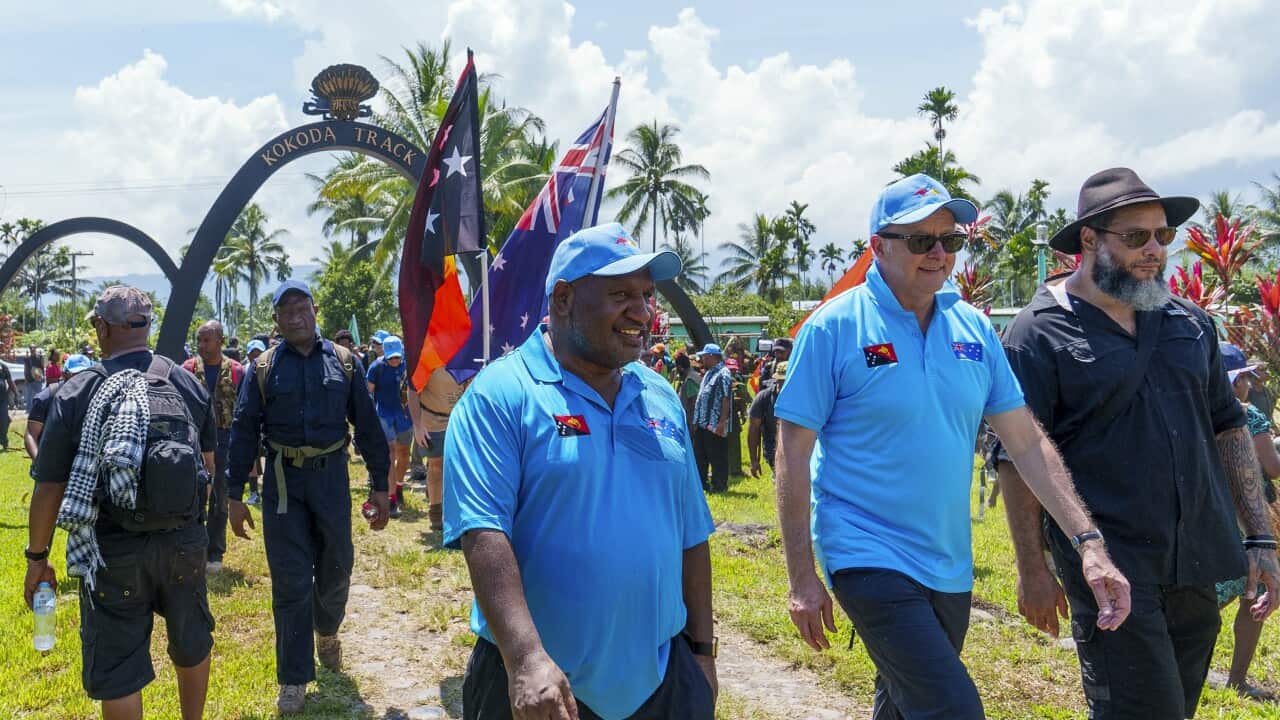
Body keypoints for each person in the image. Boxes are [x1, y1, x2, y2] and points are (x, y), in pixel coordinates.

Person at [774, 173, 1131, 720]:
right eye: (921, 240)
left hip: (947, 561)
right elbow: (792, 453)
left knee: (903, 702)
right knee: (952, 707)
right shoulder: (834, 328)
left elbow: (1027, 442)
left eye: (951, 240)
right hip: (864, 550)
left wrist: (1088, 541)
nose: (940, 254)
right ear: (879, 247)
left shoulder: (973, 329)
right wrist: (802, 577)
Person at [998, 167, 1280, 719]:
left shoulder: (1190, 324)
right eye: (1136, 237)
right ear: (1088, 240)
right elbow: (1016, 456)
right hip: (1110, 564)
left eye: (1162, 236)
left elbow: (1229, 428)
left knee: (1174, 708)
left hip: (1196, 560)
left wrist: (1260, 539)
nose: (1154, 250)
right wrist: (1031, 567)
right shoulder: (1038, 333)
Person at [446, 223, 717, 720]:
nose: (642, 311)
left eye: (647, 294)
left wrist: (702, 652)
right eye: (620, 294)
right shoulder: (500, 395)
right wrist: (526, 658)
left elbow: (691, 533)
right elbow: (483, 532)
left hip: (661, 679)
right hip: (543, 689)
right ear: (565, 299)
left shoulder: (659, 395)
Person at [23, 285, 217, 720]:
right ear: (147, 326)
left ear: (101, 328)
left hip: (113, 549)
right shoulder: (184, 380)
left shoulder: (78, 391)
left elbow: (49, 486)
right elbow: (208, 469)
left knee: (119, 667)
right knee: (191, 641)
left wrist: (38, 558)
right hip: (183, 541)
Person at [225, 279, 391, 715]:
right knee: (291, 581)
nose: (296, 315)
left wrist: (380, 485)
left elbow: (369, 428)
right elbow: (243, 432)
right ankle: (294, 679)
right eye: (287, 310)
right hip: (282, 485)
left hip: (331, 478)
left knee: (337, 566)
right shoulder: (263, 368)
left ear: (315, 311)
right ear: (276, 319)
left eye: (303, 307)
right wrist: (234, 494)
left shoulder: (345, 363)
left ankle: (328, 630)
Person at [1215, 343, 1280, 700]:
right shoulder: (1247, 415)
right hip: (1247, 519)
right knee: (1252, 588)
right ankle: (1237, 679)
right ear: (1234, 381)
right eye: (1243, 379)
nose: (1247, 386)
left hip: (1209, 513)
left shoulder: (1196, 411)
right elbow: (1271, 468)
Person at [182, 320, 245, 572]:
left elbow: (243, 408)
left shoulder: (237, 370)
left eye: (206, 340)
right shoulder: (186, 369)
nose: (201, 345)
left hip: (224, 438)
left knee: (219, 497)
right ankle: (192, 548)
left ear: (220, 340)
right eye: (199, 340)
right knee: (192, 494)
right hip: (193, 439)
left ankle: (215, 554)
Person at [408, 367, 469, 533]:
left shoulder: (465, 356)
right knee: (436, 466)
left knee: (459, 468)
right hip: (432, 421)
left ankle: (456, 512)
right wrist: (418, 425)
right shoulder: (430, 359)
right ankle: (436, 513)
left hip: (459, 419)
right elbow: (413, 390)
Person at [366, 334, 413, 519]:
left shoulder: (408, 365)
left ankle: (399, 486)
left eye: (397, 356)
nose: (394, 360)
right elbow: (368, 392)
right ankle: (392, 498)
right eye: (391, 357)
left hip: (404, 415)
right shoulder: (376, 367)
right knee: (390, 453)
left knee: (403, 453)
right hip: (384, 415)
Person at [25, 353, 92, 459]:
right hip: (53, 463)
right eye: (76, 374)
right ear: (65, 374)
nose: (81, 378)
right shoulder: (46, 398)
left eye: (86, 374)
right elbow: (31, 434)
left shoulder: (95, 396)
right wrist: (38, 461)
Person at [692, 343, 732, 493]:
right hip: (703, 422)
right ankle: (702, 483)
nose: (701, 358)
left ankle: (719, 485)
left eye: (704, 356)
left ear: (711, 356)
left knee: (717, 455)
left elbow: (726, 398)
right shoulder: (709, 373)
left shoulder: (724, 373)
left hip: (714, 423)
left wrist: (722, 422)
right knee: (700, 454)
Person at [748, 359, 786, 479]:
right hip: (773, 449)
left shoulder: (804, 397)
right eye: (780, 381)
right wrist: (754, 461)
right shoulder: (764, 398)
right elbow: (753, 429)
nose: (782, 385)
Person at [674, 353, 701, 430]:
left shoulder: (690, 381)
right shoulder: (695, 376)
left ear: (680, 367)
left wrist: (692, 426)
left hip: (693, 424)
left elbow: (694, 404)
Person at [0, 353, 16, 450]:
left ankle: (3, 440)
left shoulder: (3, 366)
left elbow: (10, 381)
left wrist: (16, 394)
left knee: (4, 421)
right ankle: (3, 440)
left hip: (2, 400)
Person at [22, 344, 43, 411]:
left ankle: (38, 409)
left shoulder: (39, 357)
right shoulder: (27, 358)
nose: (32, 349)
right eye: (31, 348)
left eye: (34, 348)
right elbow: (25, 368)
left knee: (39, 395)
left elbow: (42, 367)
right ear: (30, 349)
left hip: (38, 379)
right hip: (29, 379)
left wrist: (43, 377)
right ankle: (29, 411)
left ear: (35, 348)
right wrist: (25, 378)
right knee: (29, 396)